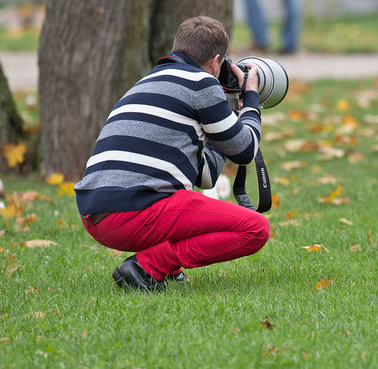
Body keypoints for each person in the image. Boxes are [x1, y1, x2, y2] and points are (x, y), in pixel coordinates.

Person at [74, 16, 270, 292]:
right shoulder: (201, 83)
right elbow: (246, 150)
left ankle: (166, 269)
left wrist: (224, 121)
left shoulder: (146, 83)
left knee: (183, 198)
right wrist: (250, 96)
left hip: (95, 215)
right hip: (134, 212)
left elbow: (204, 176)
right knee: (255, 229)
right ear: (215, 62)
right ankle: (149, 266)